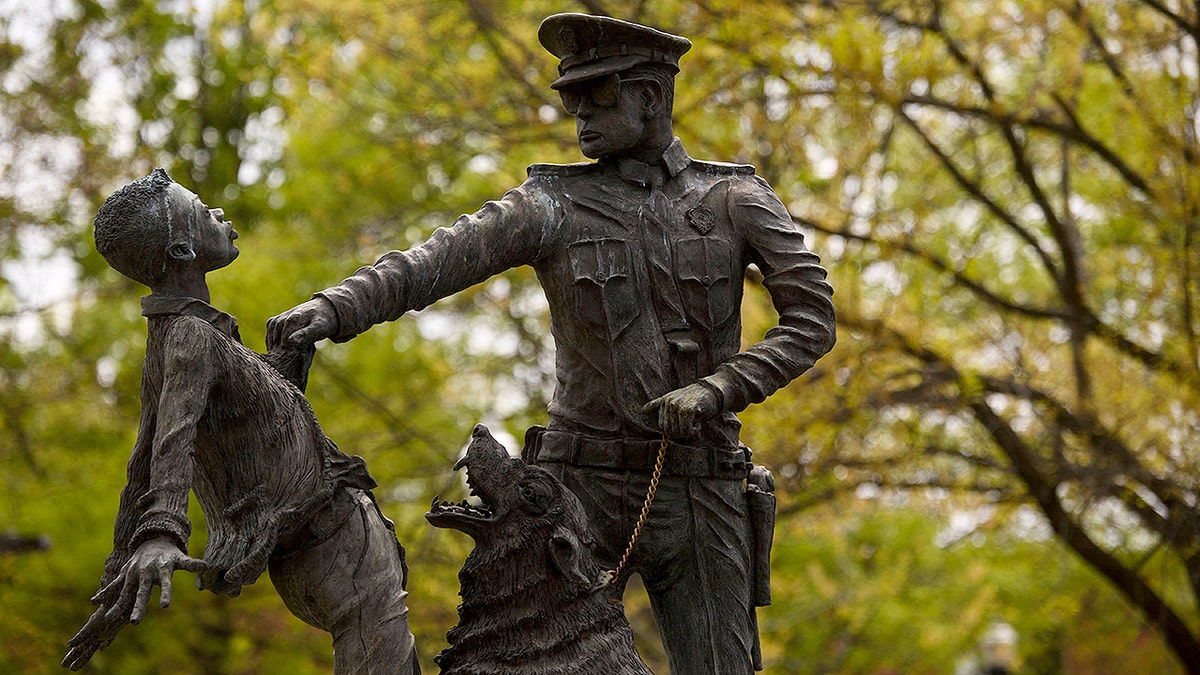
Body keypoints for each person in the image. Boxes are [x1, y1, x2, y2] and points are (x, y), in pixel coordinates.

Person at [268, 13, 835, 674]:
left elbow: (812, 318)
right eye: (572, 101)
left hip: (700, 491)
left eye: (599, 97)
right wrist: (334, 307)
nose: (581, 116)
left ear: (651, 96)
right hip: (576, 497)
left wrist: (720, 388)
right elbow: (434, 262)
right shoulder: (551, 204)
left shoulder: (736, 199)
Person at [63, 168, 419, 674]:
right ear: (183, 250)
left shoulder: (181, 338)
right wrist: (161, 530)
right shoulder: (190, 335)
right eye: (202, 210)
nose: (218, 212)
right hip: (333, 540)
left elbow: (225, 437)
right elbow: (171, 442)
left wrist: (286, 361)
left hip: (313, 546)